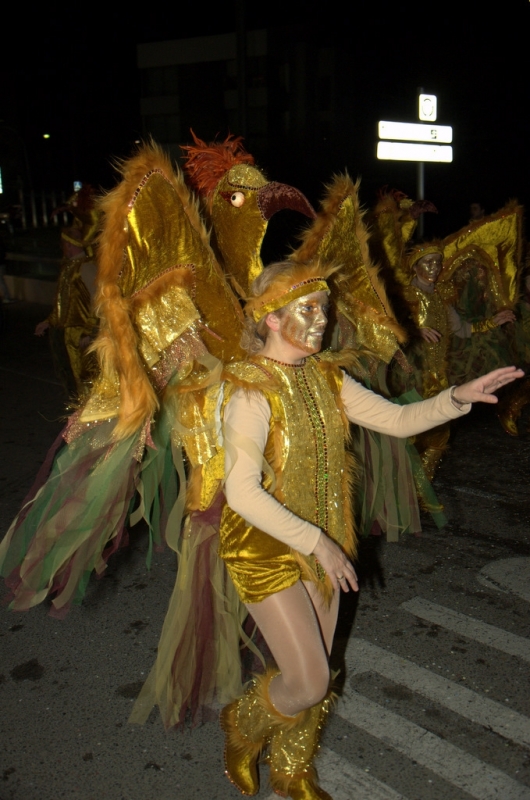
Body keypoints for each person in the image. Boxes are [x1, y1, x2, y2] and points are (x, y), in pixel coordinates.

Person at [134, 259, 522, 800]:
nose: (321, 319)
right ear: (270, 318)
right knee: (309, 679)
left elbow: (396, 419)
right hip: (265, 546)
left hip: (326, 537)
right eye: (307, 309)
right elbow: (243, 493)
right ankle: (242, 726)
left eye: (324, 308)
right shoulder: (249, 391)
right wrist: (319, 542)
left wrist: (458, 396)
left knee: (319, 662)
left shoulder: (327, 377)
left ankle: (293, 769)